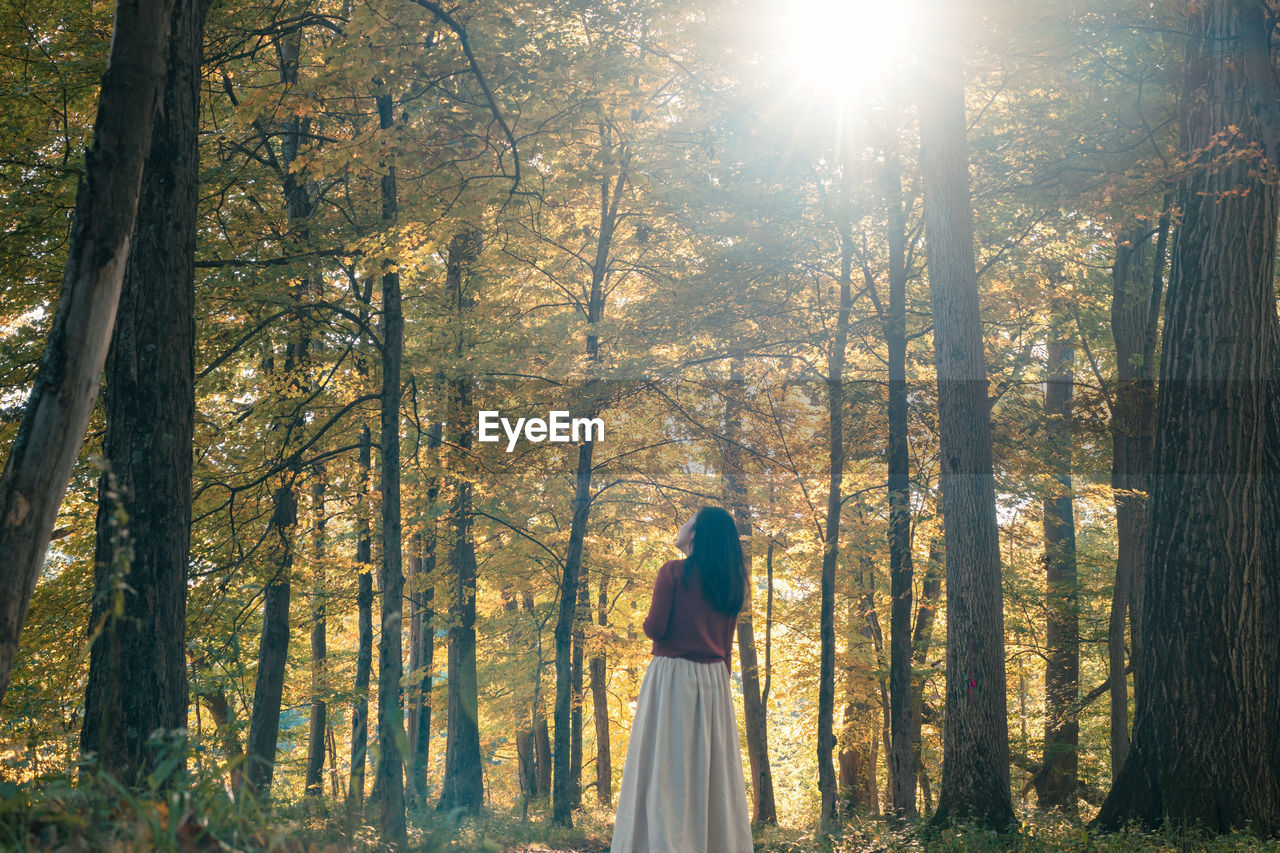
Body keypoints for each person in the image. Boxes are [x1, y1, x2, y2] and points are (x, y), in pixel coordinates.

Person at [609, 506, 754, 853]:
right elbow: (727, 644)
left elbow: (655, 628)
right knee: (711, 770)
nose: (683, 523)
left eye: (689, 520)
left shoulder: (673, 572)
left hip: (673, 676)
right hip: (714, 680)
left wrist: (646, 621)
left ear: (697, 534)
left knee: (665, 767)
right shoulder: (733, 582)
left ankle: (659, 844)